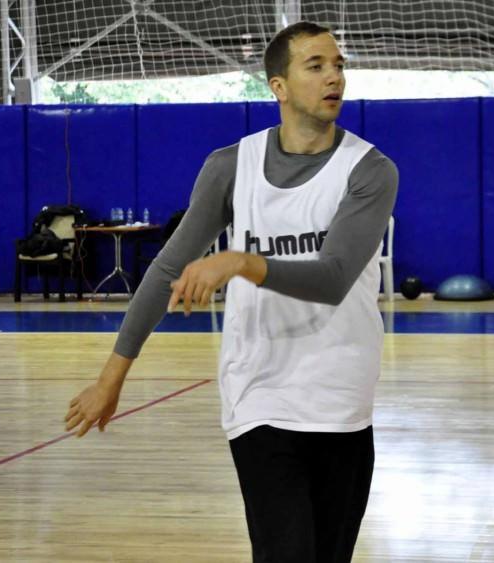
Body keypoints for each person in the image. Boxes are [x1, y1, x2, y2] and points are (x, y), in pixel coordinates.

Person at [64, 21, 398, 563]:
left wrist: (241, 261)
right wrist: (110, 378)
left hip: (341, 397)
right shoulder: (230, 166)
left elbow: (334, 277)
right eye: (316, 66)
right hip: (257, 393)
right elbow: (166, 270)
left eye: (338, 65)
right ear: (279, 86)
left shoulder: (370, 169)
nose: (334, 76)